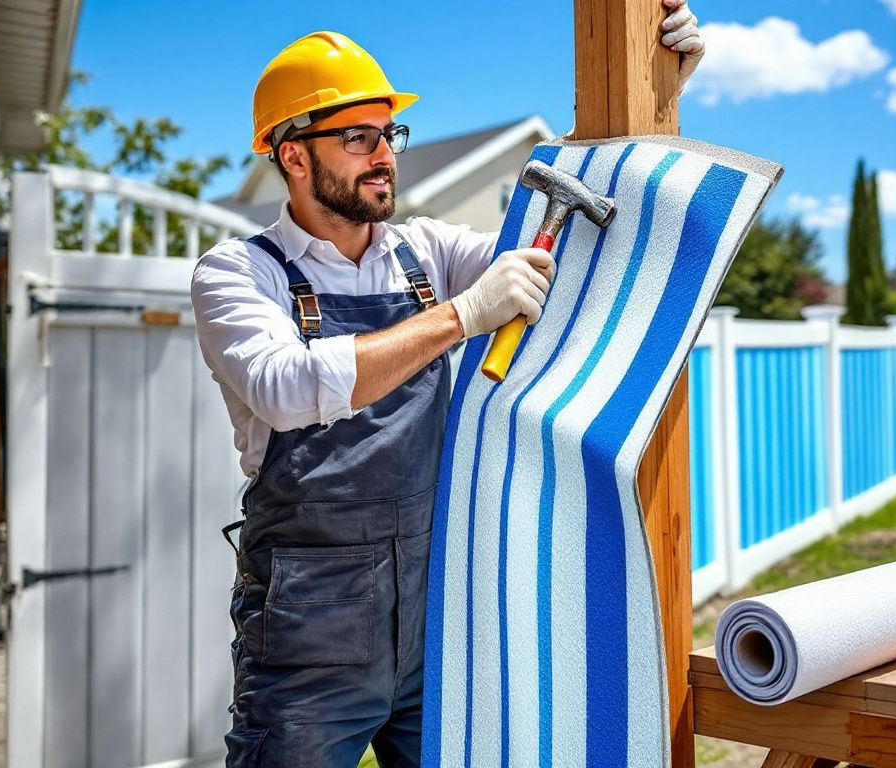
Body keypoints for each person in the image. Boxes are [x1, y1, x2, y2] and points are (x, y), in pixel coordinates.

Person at [190, 5, 705, 765]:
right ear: (294, 157)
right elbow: (286, 387)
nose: (384, 155)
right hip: (309, 635)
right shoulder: (240, 272)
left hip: (439, 619)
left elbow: (586, 238)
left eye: (387, 133)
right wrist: (463, 314)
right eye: (357, 137)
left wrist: (656, 97)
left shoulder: (424, 250)